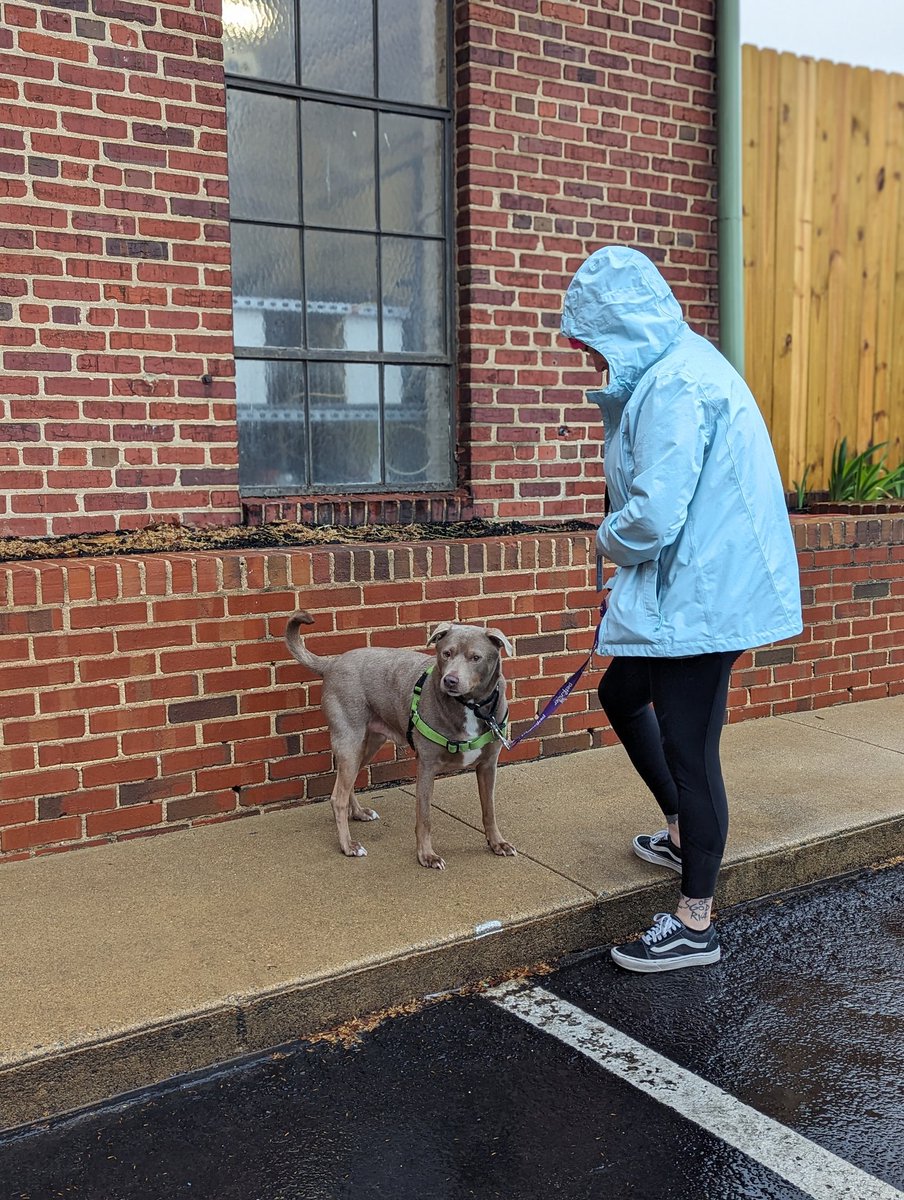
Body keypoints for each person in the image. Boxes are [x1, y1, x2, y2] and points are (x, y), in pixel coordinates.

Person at [560, 246, 802, 973]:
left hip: (703, 599)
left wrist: (603, 540)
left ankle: (696, 922)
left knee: (690, 750)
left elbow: (652, 517)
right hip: (699, 588)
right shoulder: (676, 368)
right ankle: (678, 833)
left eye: (591, 342)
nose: (587, 359)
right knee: (621, 692)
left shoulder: (674, 385)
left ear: (620, 326)